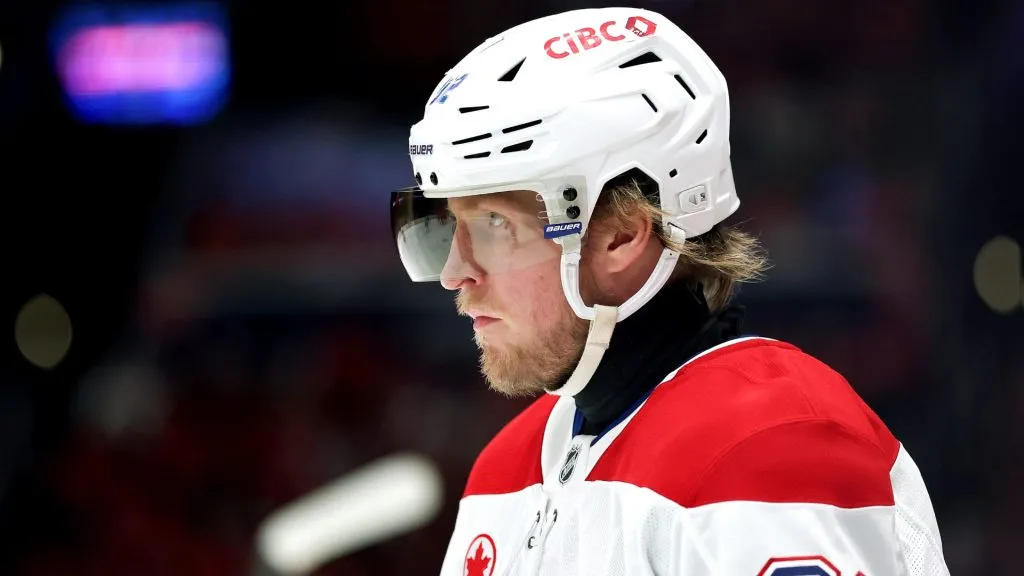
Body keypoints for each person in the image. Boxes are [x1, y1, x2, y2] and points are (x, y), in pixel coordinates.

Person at [389, 7, 950, 576]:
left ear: (622, 234)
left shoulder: (768, 444)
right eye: (446, 224)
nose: (455, 273)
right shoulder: (506, 471)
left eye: (494, 223)